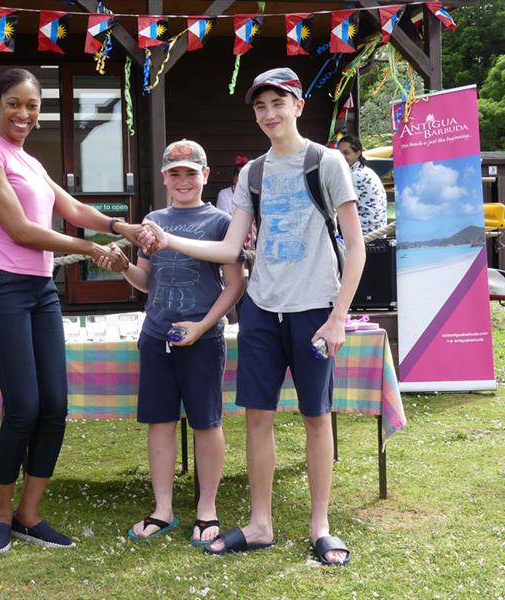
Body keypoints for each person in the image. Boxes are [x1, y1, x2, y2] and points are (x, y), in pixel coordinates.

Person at [140, 68, 365, 565]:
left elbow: (357, 248)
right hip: (261, 308)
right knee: (257, 417)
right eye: (260, 107)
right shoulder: (252, 173)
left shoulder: (326, 162)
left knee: (315, 416)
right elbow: (227, 248)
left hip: (313, 307)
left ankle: (320, 525)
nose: (269, 115)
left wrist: (337, 317)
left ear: (299, 106)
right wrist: (166, 239)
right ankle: (260, 523)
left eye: (277, 104)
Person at [0, 68, 149, 554]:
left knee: (56, 406)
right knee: (22, 406)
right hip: (0, 286)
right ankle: (1, 513)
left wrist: (119, 226)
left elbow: (72, 209)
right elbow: (21, 229)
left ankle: (30, 513)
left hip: (40, 289)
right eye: (13, 103)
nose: (23, 114)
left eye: (31, 105)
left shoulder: (29, 161)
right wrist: (91, 251)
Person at [97, 140, 245, 547]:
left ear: (205, 176)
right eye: (175, 173)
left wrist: (202, 327)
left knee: (206, 421)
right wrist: (125, 266)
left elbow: (234, 286)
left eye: (190, 173)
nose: (183, 181)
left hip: (203, 337)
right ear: (164, 177)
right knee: (159, 422)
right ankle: (162, 509)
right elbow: (147, 282)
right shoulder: (151, 220)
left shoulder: (221, 222)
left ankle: (207, 508)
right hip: (157, 334)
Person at [338, 134, 387, 235]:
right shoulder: (366, 171)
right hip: (378, 233)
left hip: (366, 236)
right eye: (339, 154)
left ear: (358, 154)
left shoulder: (355, 175)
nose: (342, 157)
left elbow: (342, 208)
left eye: (346, 153)